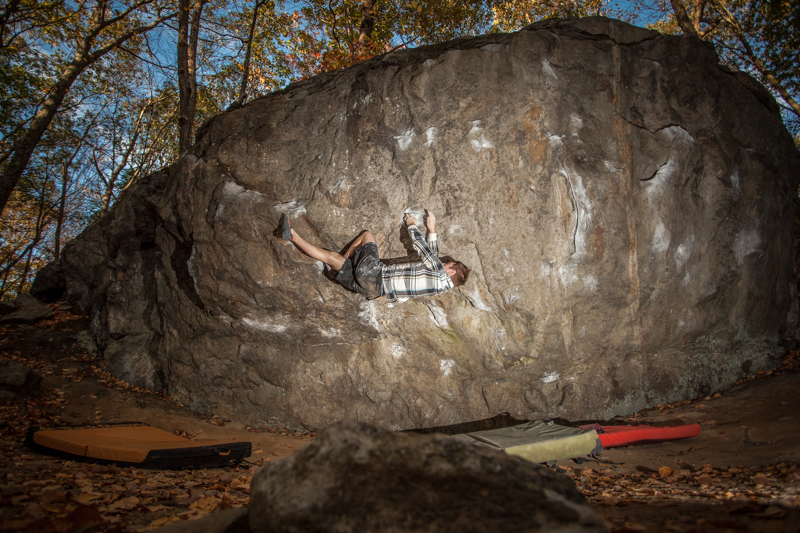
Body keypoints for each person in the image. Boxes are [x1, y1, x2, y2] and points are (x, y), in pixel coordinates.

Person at [278, 210, 469, 304]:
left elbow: (425, 251)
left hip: (374, 274)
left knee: (368, 235)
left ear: (450, 270)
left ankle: (345, 261)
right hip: (372, 291)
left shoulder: (438, 271)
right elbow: (433, 258)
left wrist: (411, 224)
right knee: (331, 259)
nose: (443, 262)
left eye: (447, 263)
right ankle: (292, 235)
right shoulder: (439, 287)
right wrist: (432, 229)